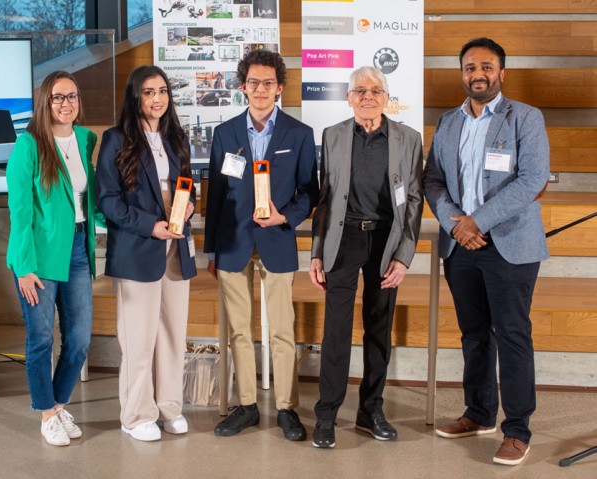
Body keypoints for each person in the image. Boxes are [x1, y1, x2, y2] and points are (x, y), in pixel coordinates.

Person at [423, 37, 550, 466]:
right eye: (470, 67)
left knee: (512, 336)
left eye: (487, 66)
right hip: (461, 247)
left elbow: (532, 179)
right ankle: (479, 414)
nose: (478, 74)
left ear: (502, 73)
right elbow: (432, 181)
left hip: (510, 246)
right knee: (474, 336)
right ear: (462, 73)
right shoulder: (447, 122)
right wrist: (458, 224)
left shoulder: (525, 119)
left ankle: (517, 430)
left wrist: (479, 221)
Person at [204, 50, 319, 441]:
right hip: (233, 244)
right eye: (253, 83)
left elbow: (310, 192)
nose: (260, 89)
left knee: (282, 331)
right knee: (239, 329)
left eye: (268, 83)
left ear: (279, 88)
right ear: (243, 88)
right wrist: (211, 252)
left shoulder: (299, 134)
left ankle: (287, 408)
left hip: (278, 240)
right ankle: (248, 406)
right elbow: (215, 195)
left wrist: (284, 216)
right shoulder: (225, 134)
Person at [309, 66, 424, 449]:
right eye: (360, 90)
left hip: (386, 244)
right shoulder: (333, 135)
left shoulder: (409, 138)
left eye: (375, 90)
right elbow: (324, 199)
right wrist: (316, 252)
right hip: (342, 242)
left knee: (378, 330)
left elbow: (414, 202)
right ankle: (326, 415)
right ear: (349, 98)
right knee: (335, 333)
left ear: (387, 98)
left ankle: (371, 411)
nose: (368, 96)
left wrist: (404, 256)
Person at [96, 65, 197, 442]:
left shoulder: (175, 137)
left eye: (162, 91)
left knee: (172, 335)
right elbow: (107, 200)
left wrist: (189, 207)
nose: (157, 98)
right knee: (138, 340)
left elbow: (188, 185)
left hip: (176, 248)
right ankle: (136, 413)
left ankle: (169, 407)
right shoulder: (115, 139)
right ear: (135, 97)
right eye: (149, 92)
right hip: (139, 248)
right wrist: (149, 225)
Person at [6, 71, 101, 446]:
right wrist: (24, 267)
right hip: (39, 256)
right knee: (42, 339)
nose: (66, 104)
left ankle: (59, 405)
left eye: (72, 96)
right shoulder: (28, 145)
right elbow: (21, 212)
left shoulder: (84, 138)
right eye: (58, 97)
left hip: (78, 251)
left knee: (79, 338)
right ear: (46, 101)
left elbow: (88, 201)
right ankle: (46, 413)